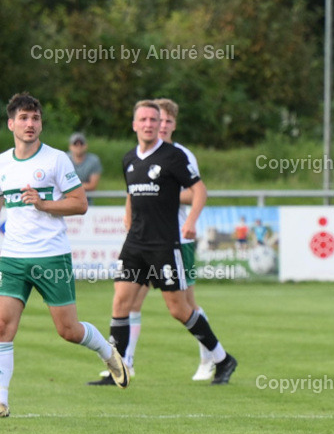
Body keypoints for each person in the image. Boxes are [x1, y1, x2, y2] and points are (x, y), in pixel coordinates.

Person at [89, 100, 236, 386]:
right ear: (134, 124)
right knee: (120, 301)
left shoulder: (173, 156)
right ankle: (117, 369)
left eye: (153, 120)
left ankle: (222, 358)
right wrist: (128, 219)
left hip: (164, 244)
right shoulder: (128, 158)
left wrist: (191, 221)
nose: (148, 124)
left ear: (160, 125)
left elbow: (200, 191)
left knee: (179, 309)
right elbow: (132, 194)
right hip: (135, 244)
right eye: (142, 119)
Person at [0, 93, 130, 416]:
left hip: (51, 256)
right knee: (2, 326)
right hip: (12, 257)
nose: (31, 124)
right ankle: (1, 399)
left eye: (36, 118)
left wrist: (43, 204)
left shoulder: (56, 160)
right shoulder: (2, 162)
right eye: (25, 118)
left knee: (68, 331)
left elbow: (80, 203)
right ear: (11, 123)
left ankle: (108, 352)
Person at [66, 132, 102, 204]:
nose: (78, 146)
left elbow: (92, 186)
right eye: (75, 144)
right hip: (66, 201)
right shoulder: (64, 159)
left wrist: (70, 186)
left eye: (81, 144)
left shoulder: (94, 161)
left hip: (86, 202)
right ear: (70, 146)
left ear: (86, 146)